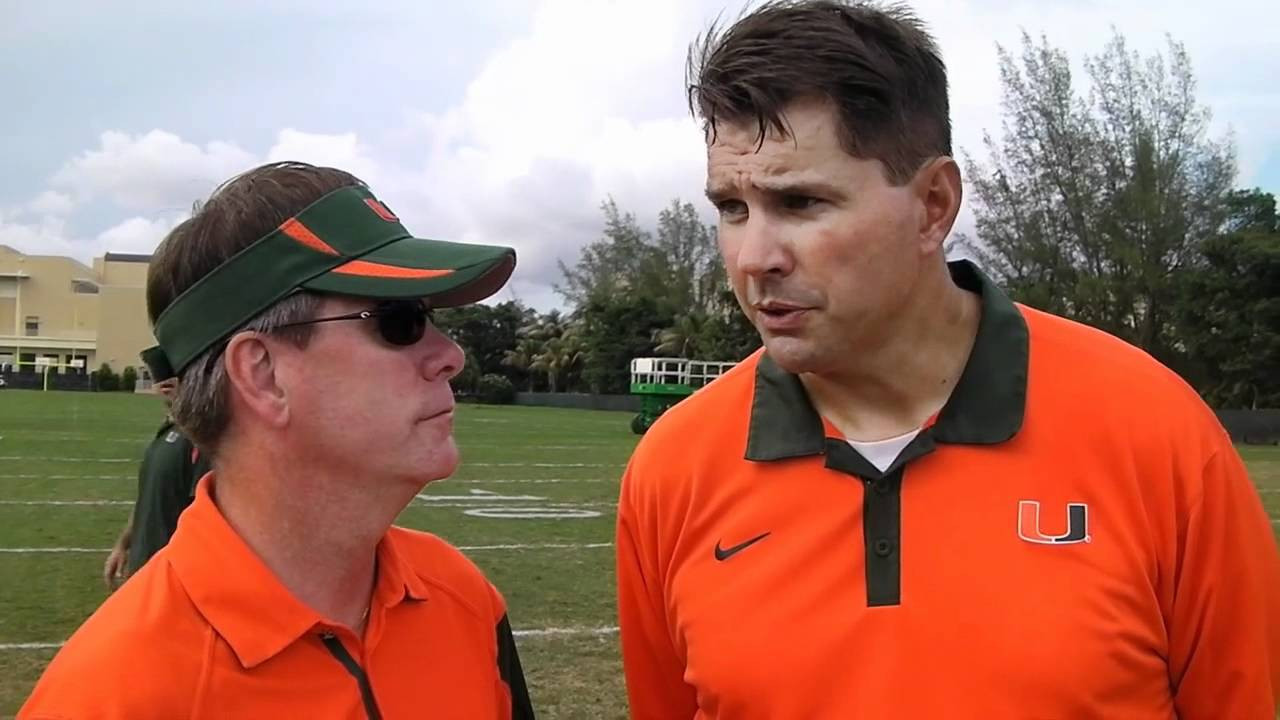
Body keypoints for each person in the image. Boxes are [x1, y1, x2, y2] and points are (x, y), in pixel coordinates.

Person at [614, 2, 1280, 718]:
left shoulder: (1157, 433)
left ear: (933, 204)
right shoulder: (672, 472)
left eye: (801, 202)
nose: (753, 258)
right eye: (731, 208)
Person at [22, 161, 535, 718]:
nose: (450, 357)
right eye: (400, 320)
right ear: (263, 374)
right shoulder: (114, 694)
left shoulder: (461, 597)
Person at [102, 349, 211, 590]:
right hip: (144, 570)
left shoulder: (201, 441)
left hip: (172, 578)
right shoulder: (166, 433)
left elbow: (204, 517)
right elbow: (148, 500)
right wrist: (124, 544)